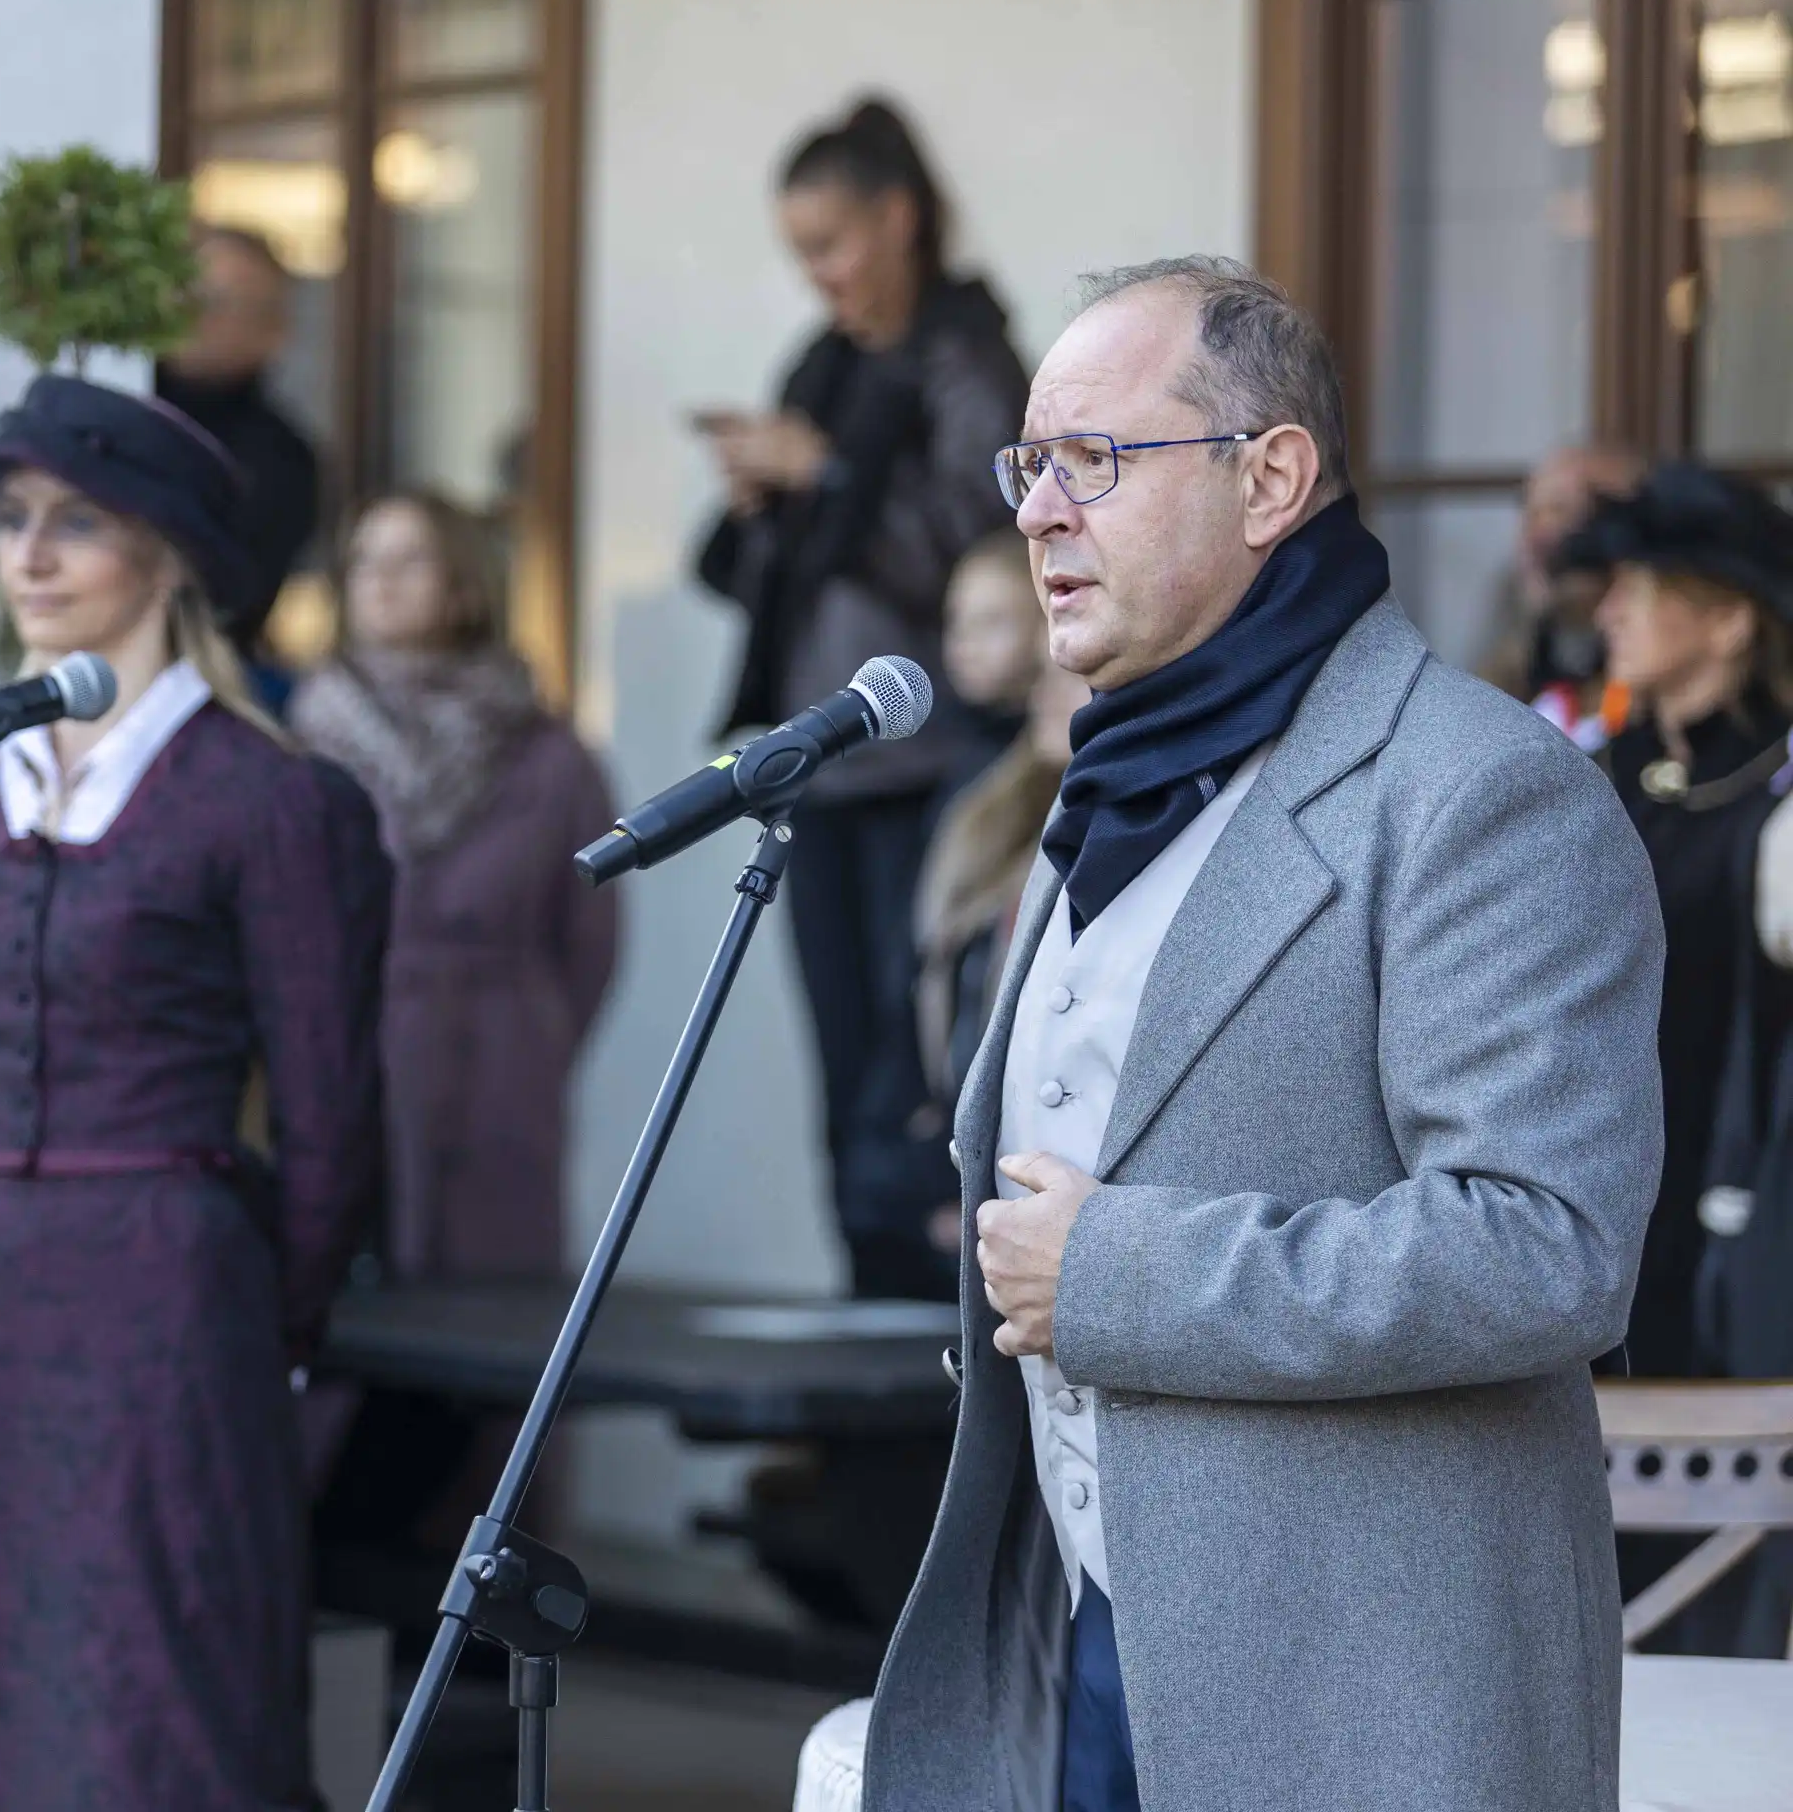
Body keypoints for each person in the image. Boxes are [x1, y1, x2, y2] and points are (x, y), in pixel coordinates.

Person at [862, 258, 1659, 1812]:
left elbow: (1548, 1244)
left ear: (1270, 478)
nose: (1036, 512)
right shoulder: (1100, 790)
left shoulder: (1481, 792)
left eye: (1093, 460)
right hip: (1072, 1648)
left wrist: (1117, 1275)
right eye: (1028, 465)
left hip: (1355, 1695)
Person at [0, 373, 388, 1812]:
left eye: (73, 523)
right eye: (9, 522)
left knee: (152, 1684)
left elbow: (333, 1121)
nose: (26, 556)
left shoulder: (272, 802)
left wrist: (254, 1312)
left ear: (167, 554)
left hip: (165, 1293)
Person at [692, 96, 1028, 1301]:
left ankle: (926, 1389)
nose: (818, 275)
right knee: (844, 1080)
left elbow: (998, 556)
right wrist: (762, 502)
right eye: (800, 253)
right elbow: (795, 560)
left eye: (830, 244)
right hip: (823, 765)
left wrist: (822, 471)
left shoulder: (969, 361)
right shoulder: (826, 365)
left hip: (932, 764)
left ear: (899, 219)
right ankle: (859, 1370)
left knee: (919, 1079)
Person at [291, 491, 618, 1539]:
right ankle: (339, 1567)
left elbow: (590, 938)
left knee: (499, 1320)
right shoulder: (302, 741)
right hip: (348, 1050)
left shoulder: (547, 751)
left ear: (464, 581)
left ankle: (490, 1585)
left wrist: (527, 1046)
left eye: (411, 559)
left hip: (496, 1066)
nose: (381, 580)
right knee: (347, 1301)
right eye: (364, 559)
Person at [1555, 461, 1793, 1383]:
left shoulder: (1774, 797)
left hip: (1732, 1221)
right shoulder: (1599, 776)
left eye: (1642, 589)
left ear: (1731, 620)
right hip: (1594, 1208)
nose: (1609, 611)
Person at [911, 543, 1085, 1275]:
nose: (1048, 690)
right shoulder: (985, 806)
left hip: (1047, 1190)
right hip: (955, 1166)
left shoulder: (1106, 822)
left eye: (1066, 674)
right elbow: (929, 977)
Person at [158, 226, 323, 708]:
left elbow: (231, 603)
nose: (198, 313)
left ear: (273, 332)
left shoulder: (281, 460)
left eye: (225, 301)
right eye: (190, 292)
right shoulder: (117, 408)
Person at [1474, 443, 1642, 741]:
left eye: (1559, 511)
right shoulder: (1516, 603)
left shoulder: (1650, 669)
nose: (1535, 536)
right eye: (1530, 513)